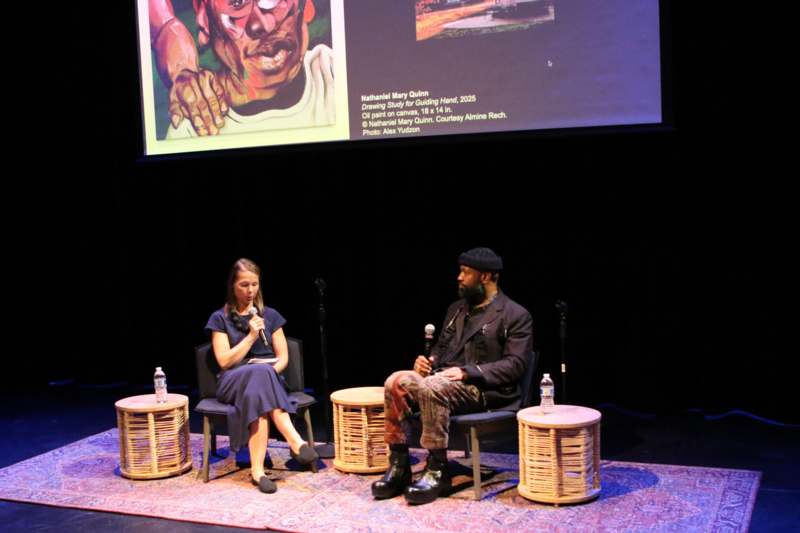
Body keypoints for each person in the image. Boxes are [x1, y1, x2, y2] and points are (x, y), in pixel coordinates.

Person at [371, 247, 534, 504]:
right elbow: (442, 349)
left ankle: (437, 469)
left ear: (485, 277)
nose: (459, 277)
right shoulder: (457, 309)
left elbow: (516, 365)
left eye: (465, 272)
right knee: (396, 381)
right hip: (443, 381)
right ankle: (399, 465)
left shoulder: (515, 315)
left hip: (485, 391)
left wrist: (467, 372)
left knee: (433, 386)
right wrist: (429, 361)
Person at [205, 258, 318, 493]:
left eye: (254, 284)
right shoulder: (220, 318)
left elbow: (283, 358)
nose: (250, 291)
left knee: (260, 386)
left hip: (268, 380)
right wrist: (250, 337)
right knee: (259, 375)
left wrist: (268, 372)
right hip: (232, 381)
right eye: (244, 285)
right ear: (233, 287)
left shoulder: (271, 315)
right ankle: (295, 441)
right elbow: (224, 361)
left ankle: (257, 471)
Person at [149, 0, 334, 138]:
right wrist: (182, 68)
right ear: (205, 22)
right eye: (236, 2)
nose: (263, 25)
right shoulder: (192, 128)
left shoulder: (335, 74)